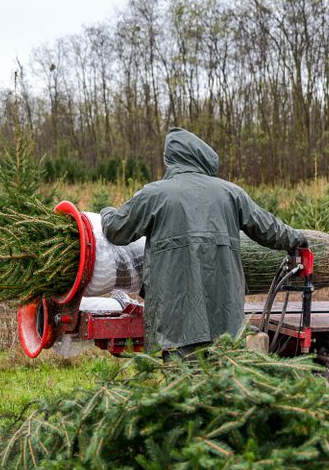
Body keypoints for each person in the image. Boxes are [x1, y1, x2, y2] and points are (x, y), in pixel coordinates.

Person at [100, 127, 307, 358]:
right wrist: (298, 240)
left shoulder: (154, 194)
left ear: (172, 160)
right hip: (225, 316)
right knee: (221, 381)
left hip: (175, 317)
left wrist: (107, 212)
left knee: (181, 387)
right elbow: (270, 228)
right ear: (203, 158)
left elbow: (116, 231)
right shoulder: (231, 193)